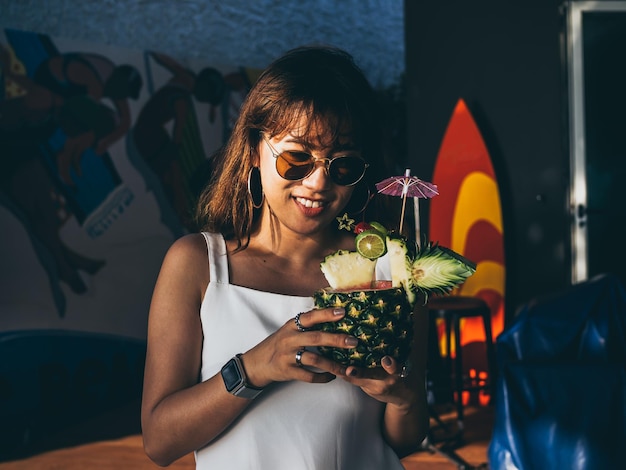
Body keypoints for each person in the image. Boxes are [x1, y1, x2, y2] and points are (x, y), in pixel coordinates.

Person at [141, 45, 429, 469]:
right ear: (255, 151)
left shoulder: (391, 271)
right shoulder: (197, 265)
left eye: (343, 165)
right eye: (297, 158)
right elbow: (159, 441)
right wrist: (254, 368)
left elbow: (403, 440)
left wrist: (403, 400)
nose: (317, 182)